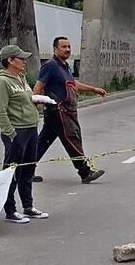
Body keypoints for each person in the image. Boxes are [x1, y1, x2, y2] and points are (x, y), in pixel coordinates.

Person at [32, 37, 106, 185]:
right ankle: (85, 172)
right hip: (57, 111)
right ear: (55, 49)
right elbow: (38, 86)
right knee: (72, 139)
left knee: (42, 142)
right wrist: (35, 103)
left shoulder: (64, 66)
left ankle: (25, 169)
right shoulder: (50, 66)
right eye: (64, 47)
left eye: (69, 47)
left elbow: (73, 83)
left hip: (68, 111)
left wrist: (93, 89)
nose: (67, 49)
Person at [0, 45, 48, 224]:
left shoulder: (21, 78)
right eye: (21, 58)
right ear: (10, 60)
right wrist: (11, 133)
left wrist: (38, 102)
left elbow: (26, 100)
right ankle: (10, 210)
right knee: (12, 172)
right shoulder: (2, 82)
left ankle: (28, 207)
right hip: (17, 132)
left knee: (28, 170)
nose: (25, 61)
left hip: (31, 128)